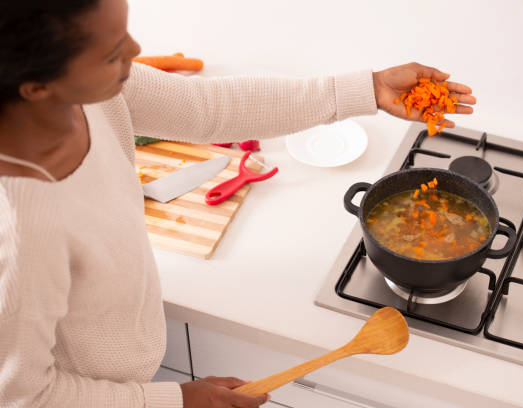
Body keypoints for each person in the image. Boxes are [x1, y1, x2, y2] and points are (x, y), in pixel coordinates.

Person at [0, 0, 476, 407]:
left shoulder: (92, 96)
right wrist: (176, 400)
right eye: (110, 52)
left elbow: (204, 109)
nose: (135, 53)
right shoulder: (19, 229)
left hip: (129, 368)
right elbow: (27, 396)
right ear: (37, 87)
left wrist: (365, 88)